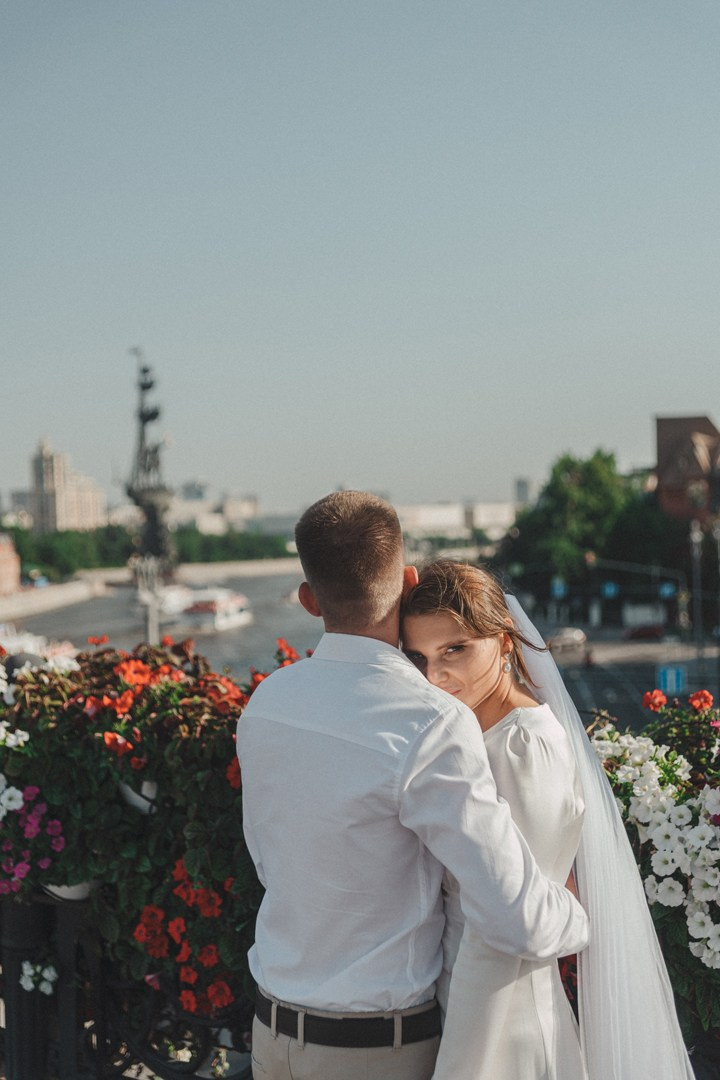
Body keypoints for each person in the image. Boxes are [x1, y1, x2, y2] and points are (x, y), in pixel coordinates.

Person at [236, 492, 588, 1080]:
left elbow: (273, 864)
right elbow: (516, 918)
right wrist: (581, 913)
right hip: (375, 1051)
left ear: (306, 598)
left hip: (271, 1036)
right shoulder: (430, 721)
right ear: (406, 581)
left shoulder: (266, 702)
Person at [401, 559, 694, 1080]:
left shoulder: (520, 747)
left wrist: (463, 1059)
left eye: (456, 649)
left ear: (506, 641)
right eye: (419, 657)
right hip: (467, 998)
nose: (436, 675)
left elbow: (510, 924)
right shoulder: (481, 731)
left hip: (499, 1017)